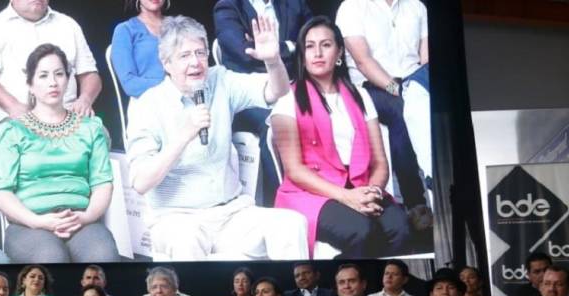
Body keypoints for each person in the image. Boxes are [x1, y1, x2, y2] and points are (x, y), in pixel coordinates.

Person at [126, 15, 309, 261]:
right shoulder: (146, 105)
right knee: (185, 241)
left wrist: (273, 61)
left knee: (291, 223)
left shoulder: (220, 80)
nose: (196, 63)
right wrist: (183, 136)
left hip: (232, 213)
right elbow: (141, 182)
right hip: (177, 219)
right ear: (166, 62)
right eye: (184, 56)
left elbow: (278, 91)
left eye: (200, 53)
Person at [271, 16, 411, 258]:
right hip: (311, 191)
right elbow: (294, 170)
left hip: (360, 185)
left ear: (339, 53)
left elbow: (380, 162)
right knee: (360, 230)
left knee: (400, 229)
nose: (317, 53)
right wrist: (347, 198)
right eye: (309, 46)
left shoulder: (361, 96)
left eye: (325, 45)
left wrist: (372, 192)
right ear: (302, 54)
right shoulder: (287, 98)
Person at [0, 44, 118, 263]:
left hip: (80, 220)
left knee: (103, 256)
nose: (52, 82)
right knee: (50, 258)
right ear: (30, 84)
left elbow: (102, 184)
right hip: (29, 224)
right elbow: (0, 194)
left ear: (68, 80)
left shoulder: (91, 128)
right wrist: (38, 221)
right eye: (43, 75)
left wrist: (86, 217)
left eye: (59, 74)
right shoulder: (11, 131)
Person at [335, 0, 433, 229]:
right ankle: (415, 202)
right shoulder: (352, 7)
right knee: (403, 112)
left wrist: (418, 88)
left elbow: (426, 60)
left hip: (413, 82)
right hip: (372, 86)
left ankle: (441, 189)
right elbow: (363, 61)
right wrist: (397, 90)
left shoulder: (417, 6)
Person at [213, 0, 314, 201]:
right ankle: (282, 199)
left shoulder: (293, 3)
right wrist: (291, 47)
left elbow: (316, 36)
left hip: (294, 86)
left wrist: (276, 51)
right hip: (249, 95)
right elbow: (245, 54)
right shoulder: (227, 6)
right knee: (274, 124)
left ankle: (320, 189)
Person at [0, 0, 101, 132]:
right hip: (14, 121)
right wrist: (13, 106)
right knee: (30, 145)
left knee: (98, 134)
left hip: (67, 120)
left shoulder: (68, 25)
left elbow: (90, 74)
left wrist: (85, 99)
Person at [111, 0, 169, 99]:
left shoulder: (180, 26)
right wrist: (171, 87)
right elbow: (130, 84)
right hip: (148, 102)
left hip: (185, 99)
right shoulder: (125, 30)